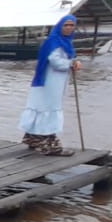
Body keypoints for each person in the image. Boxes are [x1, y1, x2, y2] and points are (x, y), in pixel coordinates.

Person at [19, 15, 81, 156]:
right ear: (60, 26)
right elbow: (55, 61)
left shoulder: (66, 42)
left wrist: (73, 62)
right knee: (48, 108)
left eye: (72, 25)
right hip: (50, 81)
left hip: (57, 81)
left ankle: (34, 139)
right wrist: (71, 63)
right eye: (66, 25)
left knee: (42, 107)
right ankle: (48, 144)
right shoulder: (54, 41)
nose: (69, 28)